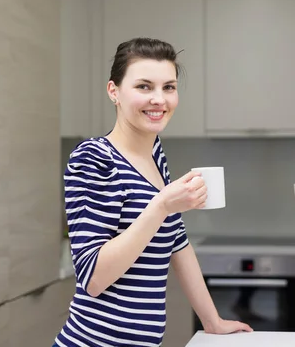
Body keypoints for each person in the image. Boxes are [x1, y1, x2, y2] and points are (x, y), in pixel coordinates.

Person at [53, 38, 252, 347]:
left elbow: (177, 241)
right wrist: (160, 206)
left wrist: (212, 321)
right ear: (114, 91)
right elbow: (92, 278)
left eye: (169, 87)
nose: (159, 99)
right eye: (144, 87)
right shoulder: (93, 158)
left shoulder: (154, 152)